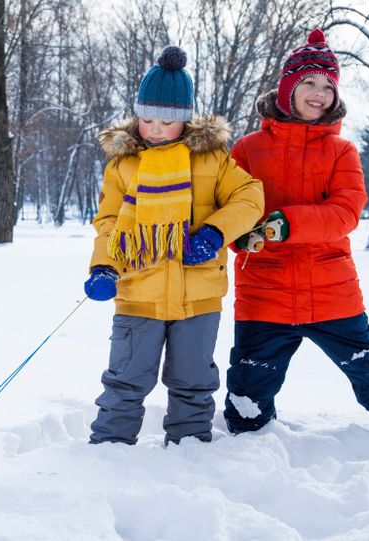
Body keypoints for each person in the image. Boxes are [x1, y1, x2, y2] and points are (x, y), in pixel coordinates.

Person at [223, 29, 369, 435]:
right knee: (248, 394)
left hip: (330, 288)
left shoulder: (342, 151)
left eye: (328, 86)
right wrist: (238, 234)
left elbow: (346, 212)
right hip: (265, 290)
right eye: (309, 83)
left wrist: (288, 224)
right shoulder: (247, 148)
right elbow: (229, 205)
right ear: (287, 87)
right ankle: (247, 448)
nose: (319, 94)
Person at [84, 45, 264, 446]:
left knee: (194, 381)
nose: (155, 129)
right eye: (146, 118)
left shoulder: (212, 159)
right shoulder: (124, 163)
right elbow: (109, 221)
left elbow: (250, 198)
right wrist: (104, 267)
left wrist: (215, 233)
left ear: (184, 120)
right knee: (125, 379)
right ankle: (109, 450)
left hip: (197, 294)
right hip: (138, 292)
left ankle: (190, 447)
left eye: (167, 121)